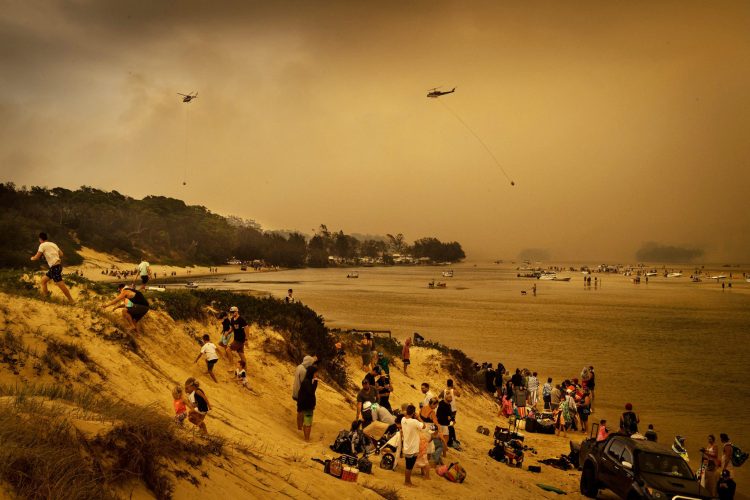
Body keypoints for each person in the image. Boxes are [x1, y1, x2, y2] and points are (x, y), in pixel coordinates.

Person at [30, 232, 74, 302]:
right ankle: (46, 298)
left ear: (40, 239)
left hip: (55, 267)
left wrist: (32, 258)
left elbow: (37, 257)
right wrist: (53, 255)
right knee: (43, 281)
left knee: (61, 285)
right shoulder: (53, 244)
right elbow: (61, 254)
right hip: (57, 266)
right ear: (46, 238)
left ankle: (71, 300)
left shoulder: (42, 245)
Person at [401, 404, 426, 486]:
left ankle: (407, 481)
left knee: (408, 466)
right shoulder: (414, 422)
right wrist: (418, 417)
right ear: (413, 413)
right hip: (413, 447)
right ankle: (407, 482)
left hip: (406, 446)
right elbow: (424, 426)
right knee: (409, 467)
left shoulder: (403, 419)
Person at [292, 355, 317, 430]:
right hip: (301, 393)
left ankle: (299, 426)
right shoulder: (303, 371)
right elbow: (305, 384)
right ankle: (300, 427)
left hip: (296, 390)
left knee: (299, 409)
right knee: (301, 411)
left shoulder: (299, 366)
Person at [297, 366, 318, 441]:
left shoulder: (306, 381)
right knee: (308, 423)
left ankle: (306, 438)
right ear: (312, 373)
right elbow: (311, 392)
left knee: (306, 423)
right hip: (307, 406)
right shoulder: (307, 382)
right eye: (315, 373)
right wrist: (315, 381)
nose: (316, 374)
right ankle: (307, 439)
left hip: (305, 405)